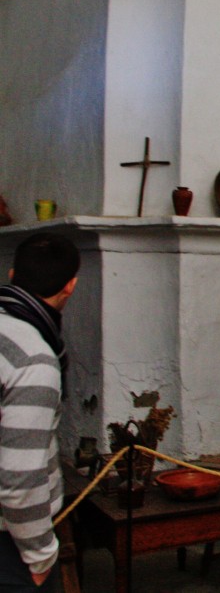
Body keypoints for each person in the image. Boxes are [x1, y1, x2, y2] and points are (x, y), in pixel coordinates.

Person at [0, 233, 79, 591]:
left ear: (13, 274)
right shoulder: (33, 360)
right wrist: (39, 555)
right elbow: (20, 479)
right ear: (70, 287)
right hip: (10, 546)